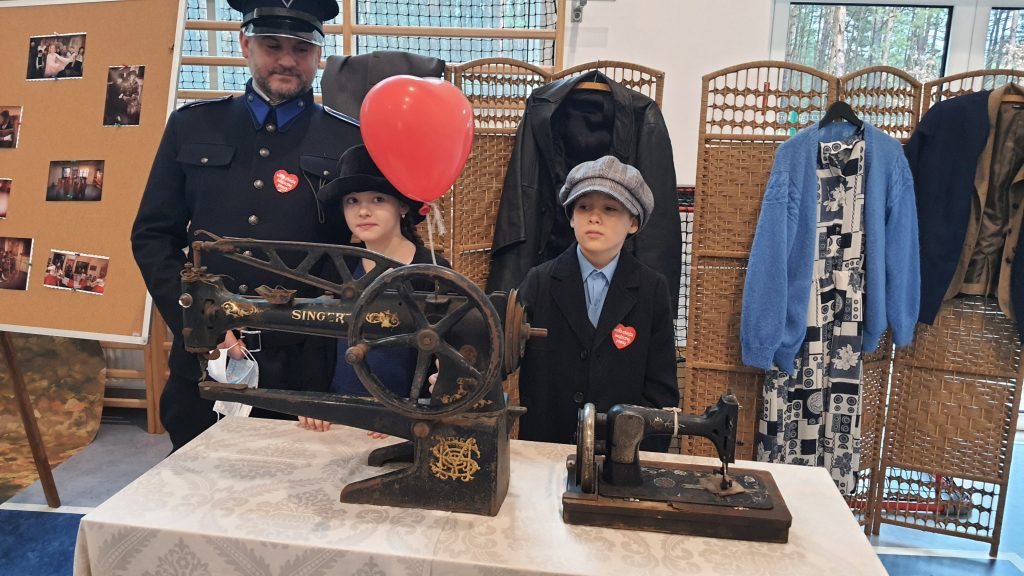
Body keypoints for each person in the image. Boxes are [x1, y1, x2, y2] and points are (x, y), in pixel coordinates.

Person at [131, 0, 362, 451]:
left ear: (319, 55)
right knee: (196, 479)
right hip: (208, 357)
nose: (287, 60)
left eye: (301, 49)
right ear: (244, 45)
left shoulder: (347, 139)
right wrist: (197, 321)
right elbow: (152, 235)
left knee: (301, 483)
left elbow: (369, 247)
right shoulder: (193, 125)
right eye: (272, 45)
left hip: (305, 366)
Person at [515, 156, 680, 451]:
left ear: (633, 222)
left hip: (621, 455)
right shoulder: (540, 281)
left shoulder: (652, 289)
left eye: (610, 209)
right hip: (546, 448)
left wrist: (638, 458)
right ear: (571, 217)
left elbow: (661, 389)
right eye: (583, 207)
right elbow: (503, 348)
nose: (594, 217)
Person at [298, 145, 450, 433]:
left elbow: (444, 349)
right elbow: (317, 339)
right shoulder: (338, 267)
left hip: (404, 419)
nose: (363, 211)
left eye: (378, 199)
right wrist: (315, 399)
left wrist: (408, 412)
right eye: (352, 201)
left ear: (402, 206)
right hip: (337, 417)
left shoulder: (432, 271)